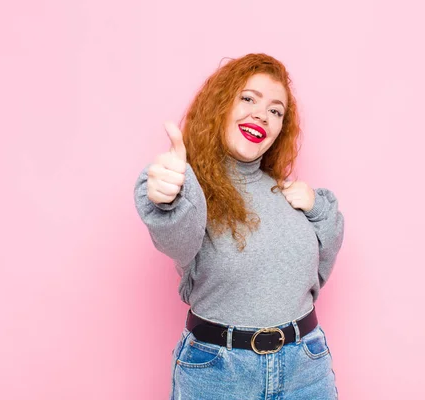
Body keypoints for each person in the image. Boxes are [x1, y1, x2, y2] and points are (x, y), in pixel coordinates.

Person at [134, 53, 344, 399]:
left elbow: (318, 270)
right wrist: (168, 195)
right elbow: (178, 240)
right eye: (248, 98)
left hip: (306, 367)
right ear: (220, 105)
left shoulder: (287, 193)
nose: (262, 114)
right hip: (219, 373)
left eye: (276, 111)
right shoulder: (193, 191)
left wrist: (317, 206)